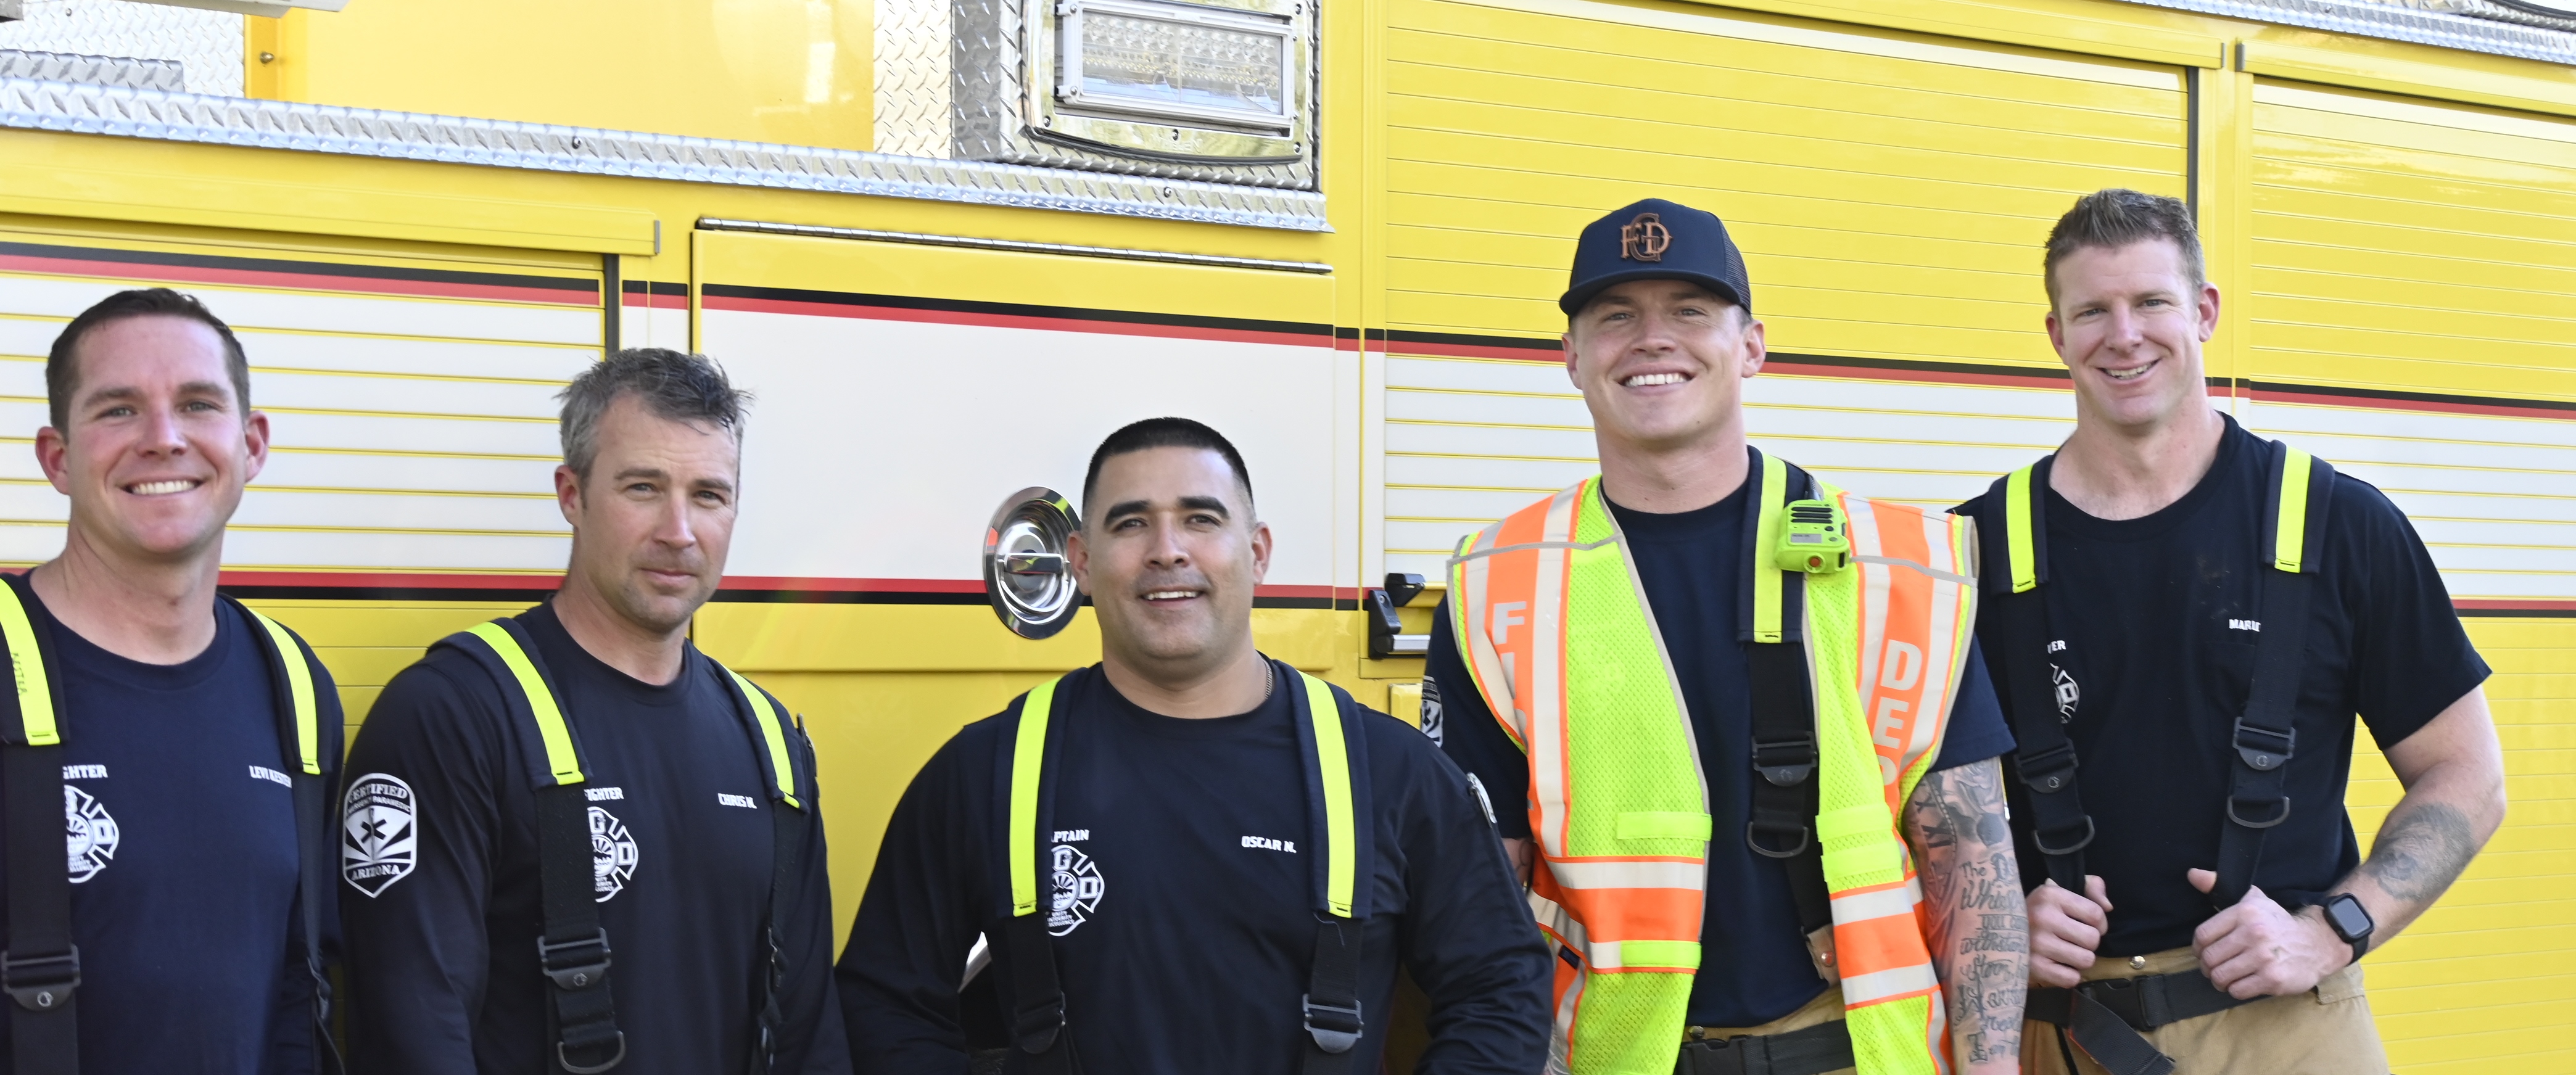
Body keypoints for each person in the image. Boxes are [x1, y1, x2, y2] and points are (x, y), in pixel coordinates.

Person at [1423, 199, 2029, 1075]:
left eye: (1690, 311)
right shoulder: (1499, 583)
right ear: (1572, 357)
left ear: (1751, 346)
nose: (1652, 339)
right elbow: (1484, 891)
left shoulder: (1895, 568)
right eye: (1616, 316)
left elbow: (1969, 854)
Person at [1953, 189, 2506, 1075]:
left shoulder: (2340, 524)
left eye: (2152, 302)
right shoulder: (1973, 549)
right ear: (2056, 334)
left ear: (2205, 311)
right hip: (2061, 1031)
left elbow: (2468, 776)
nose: (2124, 335)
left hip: (2289, 1028)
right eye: (2092, 311)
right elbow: (1907, 808)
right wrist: (1991, 918)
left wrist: (2335, 928)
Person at [840, 417, 1551, 1074]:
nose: (1167, 550)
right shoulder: (984, 774)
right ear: (1082, 561)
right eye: (1131, 524)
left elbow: (1502, 988)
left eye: (1200, 519)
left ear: (1258, 553)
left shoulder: (1392, 774)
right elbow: (885, 1001)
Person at [339, 348, 847, 1074]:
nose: (679, 531)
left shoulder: (771, 746)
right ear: (571, 495)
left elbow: (808, 1038)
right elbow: (411, 1036)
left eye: (709, 495)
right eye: (643, 488)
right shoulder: (453, 716)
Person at [0, 288, 344, 1074]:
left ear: (251, 445)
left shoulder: (294, 686)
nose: (163, 438)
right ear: (57, 458)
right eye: (118, 410)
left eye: (197, 404)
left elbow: (303, 990)